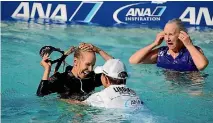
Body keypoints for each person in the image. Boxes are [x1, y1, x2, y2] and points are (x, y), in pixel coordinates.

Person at [36, 43, 113, 101]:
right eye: (88, 64)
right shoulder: (62, 79)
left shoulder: (92, 78)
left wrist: (98, 50)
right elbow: (40, 94)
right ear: (75, 61)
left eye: (93, 65)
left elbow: (114, 67)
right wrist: (47, 69)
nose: (90, 69)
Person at [129, 19, 208, 71]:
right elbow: (133, 61)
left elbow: (202, 65)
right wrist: (154, 44)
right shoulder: (162, 53)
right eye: (165, 34)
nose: (167, 38)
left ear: (182, 35)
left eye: (171, 34)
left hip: (190, 88)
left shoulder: (193, 52)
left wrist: (189, 45)